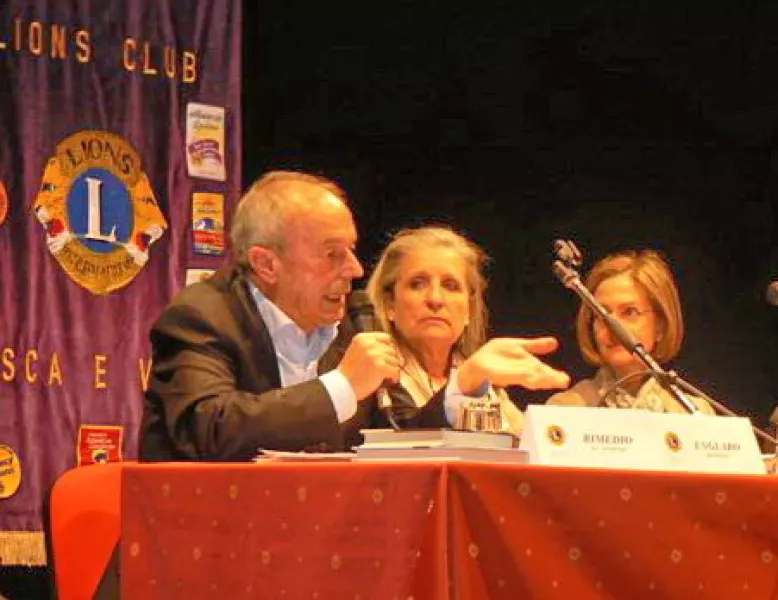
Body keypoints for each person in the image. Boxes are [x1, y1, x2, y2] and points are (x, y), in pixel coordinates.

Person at [140, 170, 403, 460]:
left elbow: (402, 433)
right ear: (266, 264)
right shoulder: (201, 318)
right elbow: (211, 430)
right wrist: (342, 387)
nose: (355, 270)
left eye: (351, 250)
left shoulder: (352, 320)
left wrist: (454, 397)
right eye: (331, 254)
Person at [345, 225, 570, 444]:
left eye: (451, 286)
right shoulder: (366, 373)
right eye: (417, 284)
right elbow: (404, 444)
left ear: (469, 311)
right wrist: (464, 383)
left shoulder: (485, 384)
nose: (435, 299)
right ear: (390, 304)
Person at [547, 249, 714, 413]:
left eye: (630, 312)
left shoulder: (695, 413)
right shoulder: (565, 409)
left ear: (660, 327)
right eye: (601, 314)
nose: (613, 326)